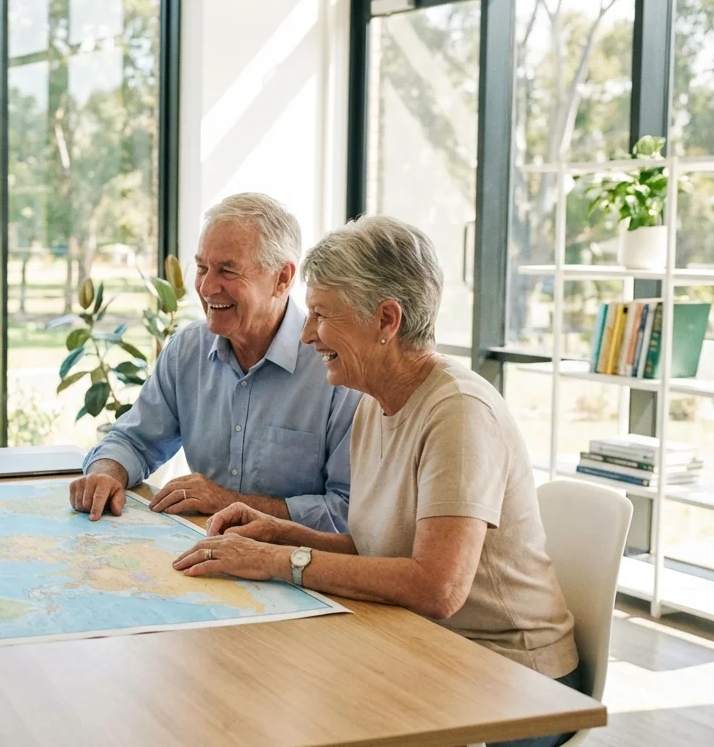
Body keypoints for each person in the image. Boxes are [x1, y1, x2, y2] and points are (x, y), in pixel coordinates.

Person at [173, 215, 580, 747]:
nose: (307, 334)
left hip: (510, 680)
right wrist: (282, 532)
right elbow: (378, 549)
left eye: (322, 315)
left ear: (386, 319)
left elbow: (437, 588)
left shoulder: (459, 412)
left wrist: (279, 561)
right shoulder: (373, 402)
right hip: (421, 646)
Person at [70, 193, 360, 532]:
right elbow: (134, 440)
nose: (206, 287)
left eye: (227, 270)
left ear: (282, 278)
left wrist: (227, 503)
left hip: (293, 560)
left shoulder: (335, 367)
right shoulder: (188, 349)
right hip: (205, 552)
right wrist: (106, 472)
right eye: (202, 268)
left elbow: (346, 512)